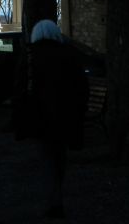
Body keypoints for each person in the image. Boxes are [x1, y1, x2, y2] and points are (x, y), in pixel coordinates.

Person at [15, 19, 89, 220]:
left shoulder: (31, 56)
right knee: (59, 156)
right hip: (65, 115)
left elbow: (20, 87)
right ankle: (56, 196)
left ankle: (54, 201)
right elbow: (81, 86)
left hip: (40, 116)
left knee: (46, 157)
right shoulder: (69, 54)